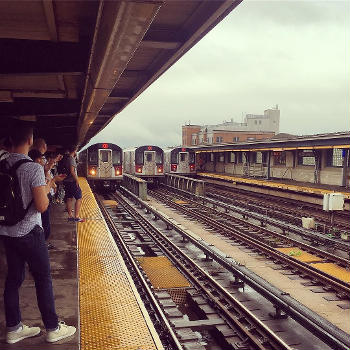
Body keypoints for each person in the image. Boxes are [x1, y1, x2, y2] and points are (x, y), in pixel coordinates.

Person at [0, 123, 76, 344]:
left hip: (6, 231)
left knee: (13, 280)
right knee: (43, 279)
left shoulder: (2, 164)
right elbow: (42, 206)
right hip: (30, 233)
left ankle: (14, 329)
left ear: (9, 140)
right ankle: (53, 328)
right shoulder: (32, 168)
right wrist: (45, 184)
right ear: (31, 141)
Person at [60, 146, 83, 222]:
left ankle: (70, 216)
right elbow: (72, 171)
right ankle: (76, 216)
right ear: (75, 150)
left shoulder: (66, 159)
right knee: (79, 198)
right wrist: (77, 180)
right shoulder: (71, 159)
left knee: (69, 198)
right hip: (72, 181)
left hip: (66, 181)